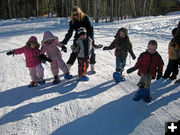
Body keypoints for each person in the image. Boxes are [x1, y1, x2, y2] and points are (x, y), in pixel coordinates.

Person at [61, 6, 102, 74]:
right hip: (77, 38)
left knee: (91, 51)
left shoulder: (85, 18)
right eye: (74, 15)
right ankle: (68, 66)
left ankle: (92, 66)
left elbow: (90, 29)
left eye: (77, 14)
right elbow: (69, 33)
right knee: (74, 52)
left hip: (87, 37)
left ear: (80, 13)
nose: (75, 16)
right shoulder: (72, 22)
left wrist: (91, 39)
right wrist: (64, 41)